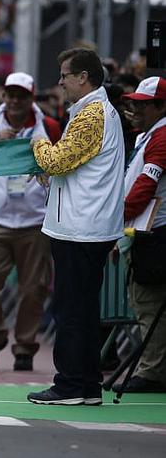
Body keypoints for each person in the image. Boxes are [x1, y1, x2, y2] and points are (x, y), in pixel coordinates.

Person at [27, 48, 125, 405]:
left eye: (65, 76)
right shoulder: (94, 112)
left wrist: (37, 143)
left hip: (80, 228)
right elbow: (72, 170)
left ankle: (69, 385)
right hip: (86, 225)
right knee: (83, 309)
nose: (60, 83)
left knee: (70, 309)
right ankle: (87, 385)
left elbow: (58, 160)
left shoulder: (92, 114)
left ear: (83, 77)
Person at [0, 72, 62, 372]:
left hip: (36, 221)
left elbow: (63, 163)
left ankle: (24, 347)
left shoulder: (49, 127)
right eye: (11, 95)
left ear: (31, 98)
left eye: (22, 96)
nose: (15, 101)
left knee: (33, 289)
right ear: (4, 97)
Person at [114, 76, 166, 393]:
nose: (136, 110)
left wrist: (115, 217)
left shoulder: (161, 138)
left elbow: (146, 185)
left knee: (149, 304)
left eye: (144, 105)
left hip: (155, 234)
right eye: (135, 103)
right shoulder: (149, 136)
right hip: (149, 231)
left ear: (161, 107)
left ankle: (151, 372)